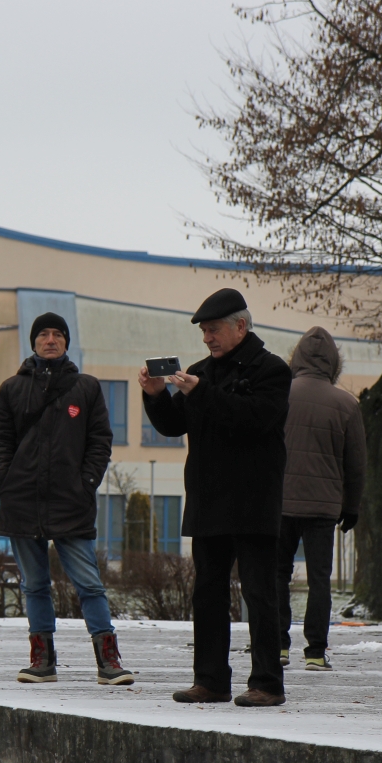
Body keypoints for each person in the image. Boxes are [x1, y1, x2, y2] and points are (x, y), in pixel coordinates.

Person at [141, 287, 292, 707]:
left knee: (259, 593)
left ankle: (267, 682)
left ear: (240, 326)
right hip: (208, 500)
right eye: (204, 331)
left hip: (253, 500)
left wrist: (200, 392)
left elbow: (254, 419)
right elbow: (175, 424)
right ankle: (210, 680)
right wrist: (155, 395)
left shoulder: (272, 370)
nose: (207, 338)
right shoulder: (199, 372)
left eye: (213, 330)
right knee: (207, 593)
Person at [0, 312, 131, 686]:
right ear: (34, 342)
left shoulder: (86, 387)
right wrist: (4, 482)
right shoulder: (11, 388)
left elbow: (100, 440)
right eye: (43, 334)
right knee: (34, 585)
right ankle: (42, 660)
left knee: (89, 584)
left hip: (71, 502)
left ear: (66, 342)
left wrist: (86, 483)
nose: (50, 340)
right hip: (22, 501)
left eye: (57, 334)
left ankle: (108, 659)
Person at [277, 326, 366, 670]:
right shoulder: (347, 404)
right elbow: (355, 464)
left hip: (281, 502)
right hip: (323, 507)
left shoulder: (278, 394)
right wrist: (351, 507)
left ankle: (277, 645)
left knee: (276, 575)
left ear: (296, 357)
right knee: (319, 580)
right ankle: (315, 650)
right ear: (333, 363)